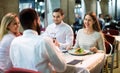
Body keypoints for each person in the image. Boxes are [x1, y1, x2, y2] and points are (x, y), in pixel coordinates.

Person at [9, 8, 66, 73]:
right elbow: (62, 67)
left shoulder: (14, 42)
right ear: (35, 22)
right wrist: (55, 47)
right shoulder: (44, 41)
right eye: (39, 20)